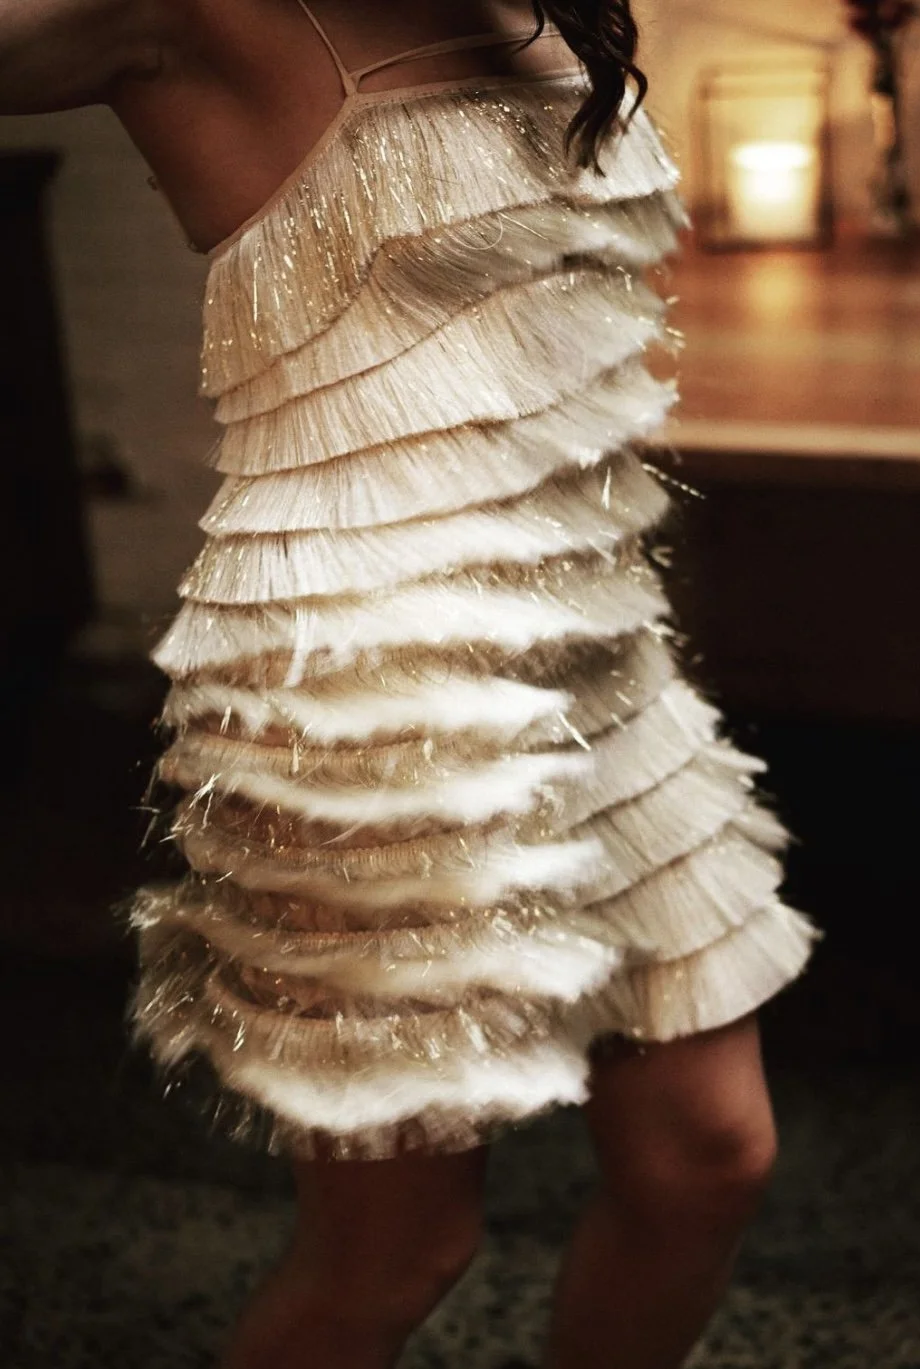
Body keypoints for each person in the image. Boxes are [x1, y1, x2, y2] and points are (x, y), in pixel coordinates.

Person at [0, 4, 820, 1366]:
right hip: (370, 693)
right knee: (396, 1252)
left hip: (592, 647)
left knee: (707, 1160)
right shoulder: (189, 13)